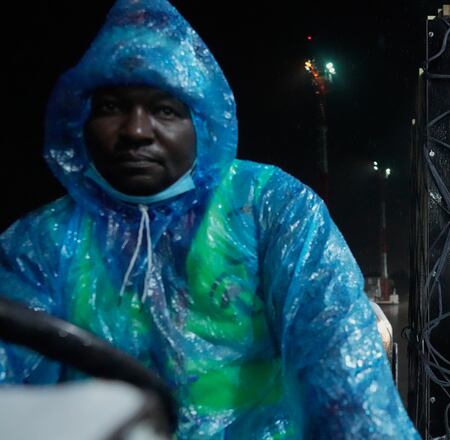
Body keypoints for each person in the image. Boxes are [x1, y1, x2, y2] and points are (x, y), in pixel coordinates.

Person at [0, 0, 419, 438]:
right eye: (111, 107)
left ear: (202, 121)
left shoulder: (268, 208)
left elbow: (340, 366)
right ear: (80, 121)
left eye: (164, 110)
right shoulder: (41, 245)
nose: (136, 131)